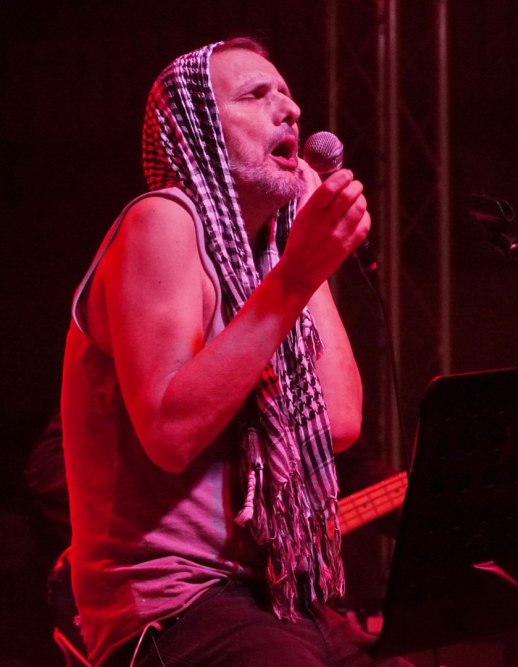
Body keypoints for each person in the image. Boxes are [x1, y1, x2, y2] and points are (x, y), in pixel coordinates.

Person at [60, 38, 410, 666]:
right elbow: (171, 433)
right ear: (197, 131)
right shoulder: (162, 221)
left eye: (288, 93)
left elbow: (338, 423)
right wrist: (296, 275)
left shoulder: (270, 261)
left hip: (269, 592)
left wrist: (307, 261)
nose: (291, 109)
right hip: (174, 603)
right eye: (256, 95)